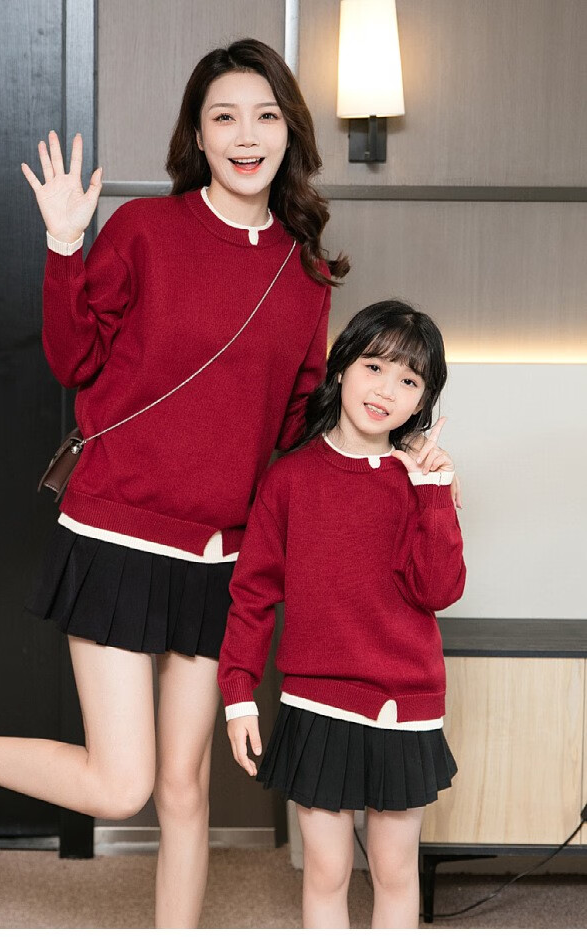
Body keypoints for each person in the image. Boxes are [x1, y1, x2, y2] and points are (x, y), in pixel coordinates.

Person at [0, 38, 349, 927]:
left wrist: (399, 462)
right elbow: (75, 357)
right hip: (118, 532)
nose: (246, 136)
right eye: (224, 117)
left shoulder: (305, 275)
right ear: (197, 135)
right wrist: (64, 242)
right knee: (123, 786)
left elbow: (296, 430)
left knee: (186, 788)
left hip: (218, 557)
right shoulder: (146, 231)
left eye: (265, 116)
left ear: (290, 133)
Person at [218, 300, 466, 929]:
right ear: (341, 368)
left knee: (394, 871)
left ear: (423, 402)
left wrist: (433, 495)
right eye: (374, 367)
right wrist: (239, 694)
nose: (385, 390)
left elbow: (439, 590)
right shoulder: (289, 480)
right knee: (326, 872)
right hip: (317, 702)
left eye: (408, 380)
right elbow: (253, 594)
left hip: (403, 704)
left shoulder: (421, 484)